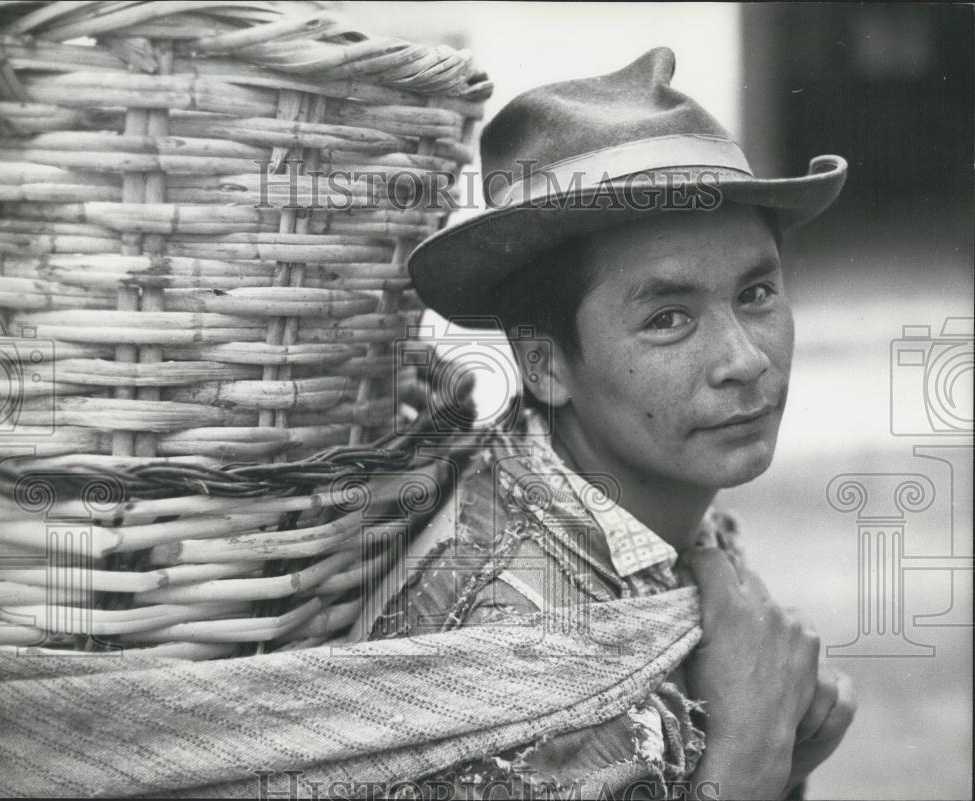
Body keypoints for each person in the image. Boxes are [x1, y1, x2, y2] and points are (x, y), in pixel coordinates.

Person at [353, 47, 856, 800]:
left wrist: (788, 753)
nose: (745, 359)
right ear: (546, 364)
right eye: (668, 317)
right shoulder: (526, 656)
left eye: (756, 293)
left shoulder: (642, 509)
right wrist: (754, 754)